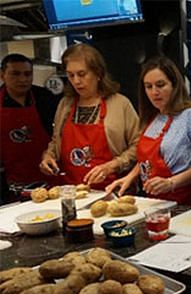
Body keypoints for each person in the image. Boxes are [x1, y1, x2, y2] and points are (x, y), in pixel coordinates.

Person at [106, 56, 191, 205]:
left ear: (174, 85)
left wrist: (171, 183)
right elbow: (146, 161)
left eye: (160, 85)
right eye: (148, 86)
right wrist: (130, 177)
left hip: (186, 202)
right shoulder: (152, 118)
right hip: (154, 202)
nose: (154, 92)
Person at [39, 43, 140, 189]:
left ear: (98, 73)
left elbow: (138, 146)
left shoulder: (120, 104)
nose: (76, 81)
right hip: (72, 191)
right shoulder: (65, 104)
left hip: (112, 190)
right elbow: (56, 141)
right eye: (70, 75)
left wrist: (113, 165)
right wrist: (48, 156)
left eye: (82, 74)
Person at [0, 54, 59, 187]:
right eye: (15, 74)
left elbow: (60, 133)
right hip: (12, 181)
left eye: (27, 74)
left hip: (49, 175)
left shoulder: (45, 98)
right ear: (2, 75)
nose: (23, 79)